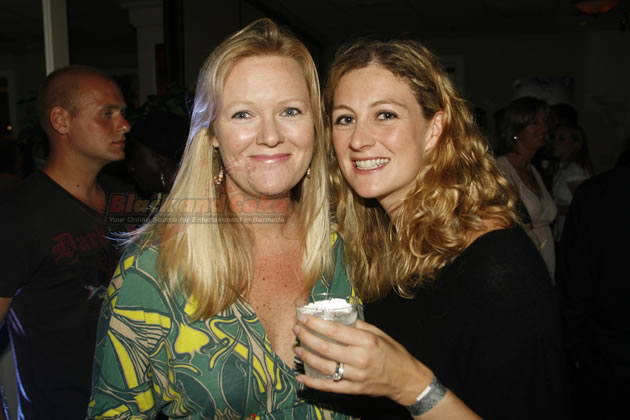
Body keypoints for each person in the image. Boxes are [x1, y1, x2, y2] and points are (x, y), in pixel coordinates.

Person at [88, 19, 356, 419]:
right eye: (243, 114)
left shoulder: (346, 246)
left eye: (290, 110)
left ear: (315, 125)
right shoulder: (155, 267)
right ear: (212, 132)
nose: (270, 136)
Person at [292, 39, 570, 419]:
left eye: (385, 115)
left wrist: (409, 384)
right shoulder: (379, 241)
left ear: (434, 128)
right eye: (345, 119)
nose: (358, 140)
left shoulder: (498, 263)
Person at [0, 66, 131, 419]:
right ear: (61, 120)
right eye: (107, 114)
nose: (124, 125)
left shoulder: (125, 199)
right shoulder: (18, 216)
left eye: (122, 113)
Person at [556, 164, 630, 420]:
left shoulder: (596, 193)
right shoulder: (597, 194)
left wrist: (575, 348)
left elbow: (573, 283)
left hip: (605, 358)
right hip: (605, 355)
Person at [495, 96, 557, 279]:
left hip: (546, 258)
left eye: (544, 122)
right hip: (521, 262)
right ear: (517, 129)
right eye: (535, 123)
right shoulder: (501, 170)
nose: (544, 128)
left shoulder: (533, 170)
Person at [550, 123, 592, 243]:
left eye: (561, 139)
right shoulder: (564, 168)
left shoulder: (575, 171)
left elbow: (586, 205)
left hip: (573, 237)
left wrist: (554, 209)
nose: (554, 142)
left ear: (576, 144)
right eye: (553, 137)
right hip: (563, 234)